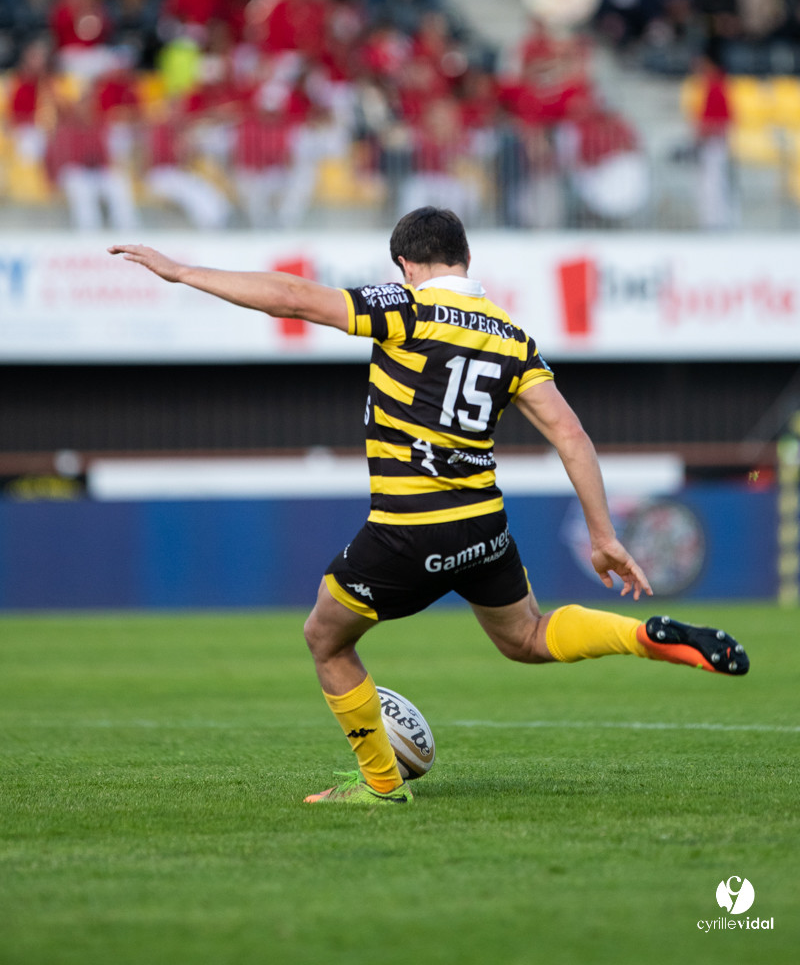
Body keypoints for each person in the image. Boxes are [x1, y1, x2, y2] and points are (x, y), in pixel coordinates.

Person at [109, 207, 750, 807]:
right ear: (465, 259)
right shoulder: (512, 337)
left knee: (325, 640)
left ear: (406, 265)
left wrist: (183, 270)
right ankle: (644, 636)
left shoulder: (407, 308)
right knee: (528, 636)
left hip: (409, 528)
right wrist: (604, 535)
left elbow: (295, 298)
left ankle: (381, 785)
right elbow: (572, 436)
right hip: (482, 526)